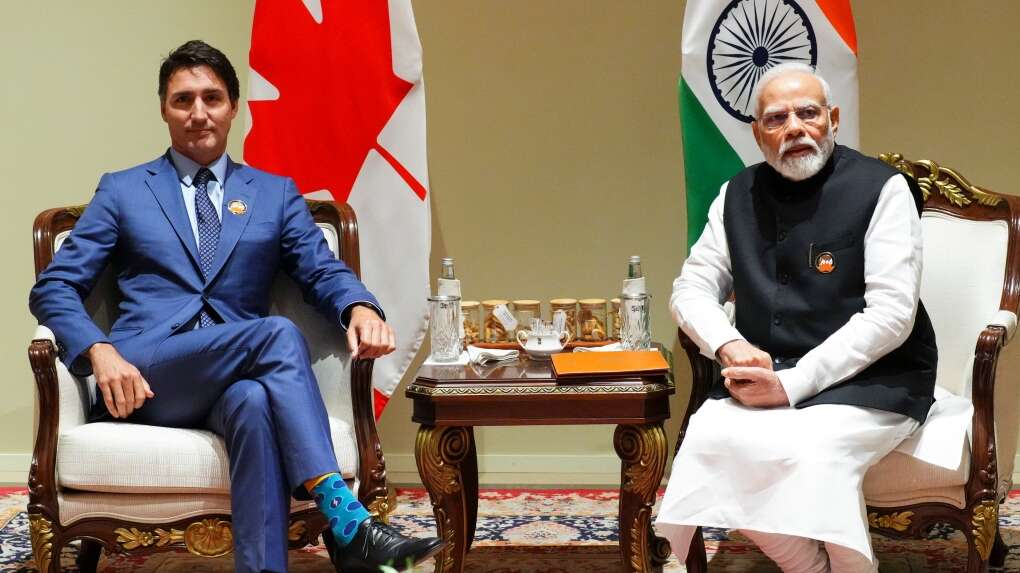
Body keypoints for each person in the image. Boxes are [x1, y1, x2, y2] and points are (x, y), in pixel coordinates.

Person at [29, 40, 442, 573]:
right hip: (148, 375)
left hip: (235, 377)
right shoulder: (123, 190)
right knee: (276, 333)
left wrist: (359, 306)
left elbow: (321, 270)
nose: (198, 113)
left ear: (233, 107)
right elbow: (54, 287)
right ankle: (346, 522)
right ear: (164, 110)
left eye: (212, 98)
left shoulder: (274, 194)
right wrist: (99, 350)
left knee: (252, 401)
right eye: (182, 100)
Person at [654, 63, 937, 573]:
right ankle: (806, 565)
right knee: (709, 440)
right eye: (776, 118)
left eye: (808, 113)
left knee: (812, 448)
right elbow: (690, 289)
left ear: (833, 119)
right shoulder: (735, 194)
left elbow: (892, 314)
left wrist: (792, 384)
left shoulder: (883, 189)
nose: (795, 128)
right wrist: (729, 345)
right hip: (767, 376)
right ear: (757, 133)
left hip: (875, 380)